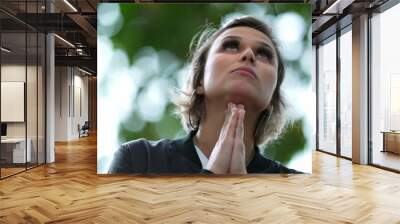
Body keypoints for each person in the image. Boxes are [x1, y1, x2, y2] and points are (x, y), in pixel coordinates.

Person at [108, 16, 301, 174]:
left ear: (273, 99)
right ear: (199, 81)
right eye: (231, 46)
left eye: (264, 54)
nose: (249, 54)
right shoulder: (139, 159)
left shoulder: (295, 188)